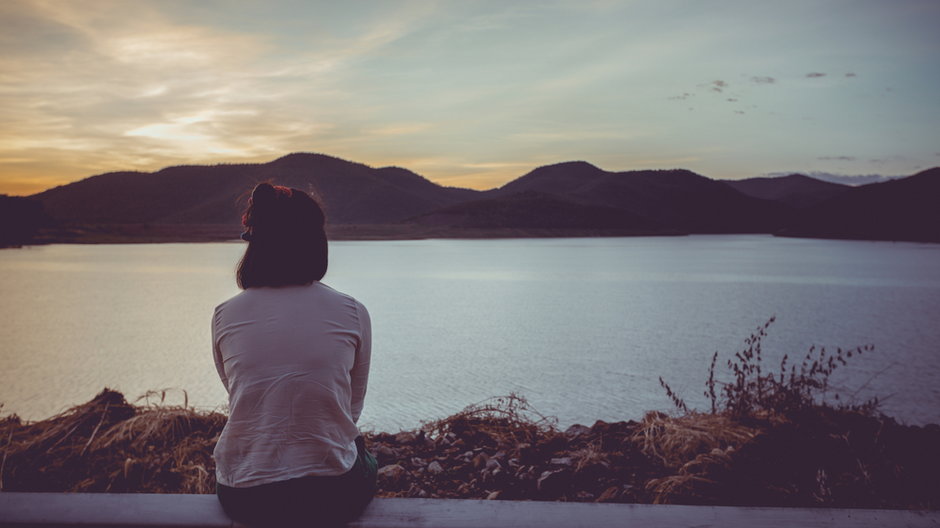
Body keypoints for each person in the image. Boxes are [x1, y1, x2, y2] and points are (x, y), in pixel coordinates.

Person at [211, 182, 376, 527]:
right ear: (315, 242)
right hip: (332, 495)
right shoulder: (351, 311)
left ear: (253, 244)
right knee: (365, 458)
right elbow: (351, 409)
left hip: (243, 495)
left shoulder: (225, 315)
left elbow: (241, 394)